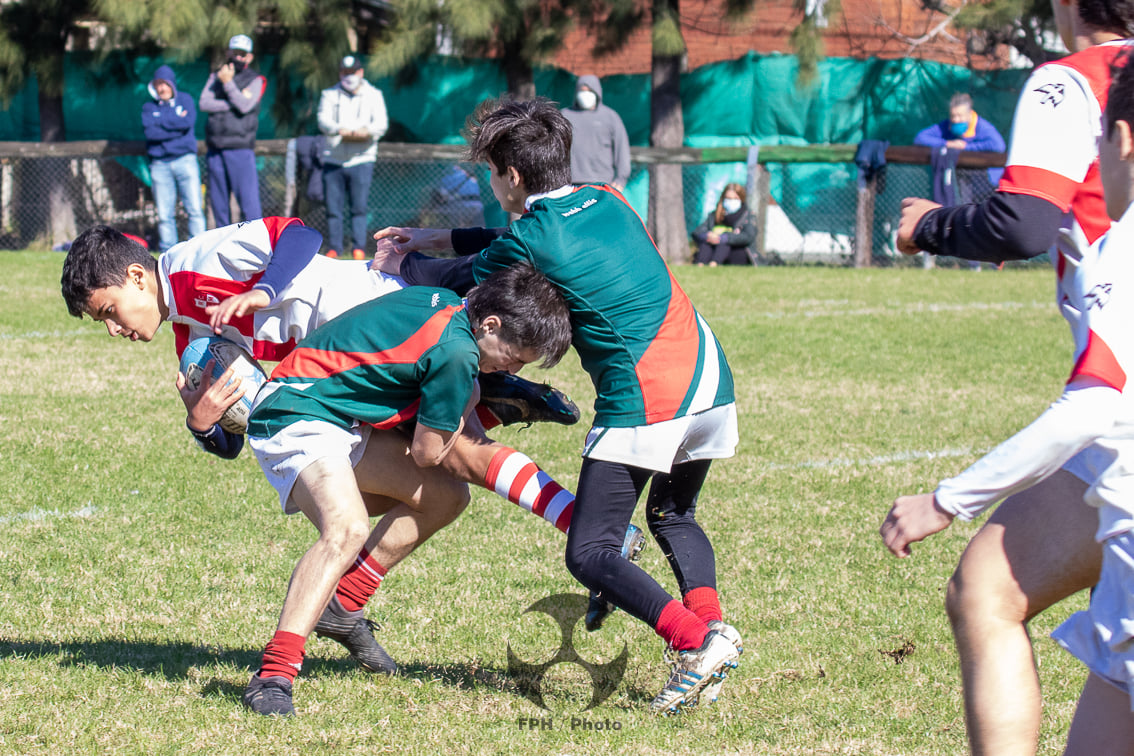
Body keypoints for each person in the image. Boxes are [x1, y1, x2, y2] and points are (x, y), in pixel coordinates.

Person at [371, 97, 742, 715]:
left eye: (493, 174)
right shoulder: (607, 197)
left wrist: (401, 262)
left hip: (649, 394)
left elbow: (464, 275)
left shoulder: (529, 239)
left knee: (591, 551)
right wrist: (435, 235)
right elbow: (516, 239)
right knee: (673, 515)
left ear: (512, 176)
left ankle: (698, 642)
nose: (493, 185)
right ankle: (711, 635)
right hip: (710, 375)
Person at [886, 1, 1134, 752]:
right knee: (989, 590)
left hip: (1116, 415)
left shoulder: (1075, 81)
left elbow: (1022, 223)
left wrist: (928, 224)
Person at [240, 262, 574, 716]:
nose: (511, 368)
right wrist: (472, 404)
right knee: (347, 529)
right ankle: (273, 676)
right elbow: (427, 452)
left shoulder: (449, 306)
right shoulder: (458, 354)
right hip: (295, 412)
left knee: (445, 496)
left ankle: (343, 606)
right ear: (491, 324)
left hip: (337, 416)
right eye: (513, 357)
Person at [913, 93, 1007, 270]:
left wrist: (966, 147)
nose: (956, 120)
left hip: (988, 183)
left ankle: (996, 262)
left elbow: (998, 146)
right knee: (967, 221)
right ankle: (974, 265)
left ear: (970, 114)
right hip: (963, 182)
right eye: (953, 116)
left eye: (960, 116)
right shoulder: (946, 127)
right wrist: (948, 144)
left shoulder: (983, 127)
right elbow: (920, 138)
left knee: (990, 222)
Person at [317, 55, 388, 260]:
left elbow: (381, 124)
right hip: (333, 159)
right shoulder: (329, 94)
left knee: (359, 208)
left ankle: (359, 248)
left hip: (362, 159)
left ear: (361, 72)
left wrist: (366, 131)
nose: (348, 77)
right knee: (333, 209)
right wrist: (339, 129)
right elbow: (323, 120)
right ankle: (334, 248)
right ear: (340, 73)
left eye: (352, 72)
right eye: (344, 72)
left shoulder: (374, 95)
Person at [199, 33, 265, 227]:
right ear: (228, 52)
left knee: (249, 205)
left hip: (240, 149)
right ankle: (225, 242)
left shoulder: (255, 79)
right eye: (235, 52)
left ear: (249, 57)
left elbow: (245, 106)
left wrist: (228, 84)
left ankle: (256, 241)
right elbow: (204, 103)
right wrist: (231, 103)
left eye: (242, 54)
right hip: (215, 149)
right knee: (219, 206)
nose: (237, 57)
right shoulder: (216, 76)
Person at [141, 65, 206, 252]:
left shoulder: (185, 100)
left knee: (194, 209)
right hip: (160, 164)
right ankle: (169, 253)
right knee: (164, 214)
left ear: (172, 84)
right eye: (158, 84)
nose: (162, 88)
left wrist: (161, 121)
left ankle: (198, 249)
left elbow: (187, 123)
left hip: (185, 160)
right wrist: (175, 124)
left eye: (165, 84)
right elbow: (151, 133)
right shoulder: (148, 107)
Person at [560, 75, 631, 192]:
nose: (585, 94)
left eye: (589, 91)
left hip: (602, 184)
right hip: (569, 185)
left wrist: (620, 180)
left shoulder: (610, 117)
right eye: (582, 91)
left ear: (597, 92)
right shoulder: (564, 116)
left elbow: (622, 150)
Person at [690, 183, 757, 266]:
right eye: (728, 198)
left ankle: (714, 264)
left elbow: (748, 237)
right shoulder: (715, 215)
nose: (731, 201)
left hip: (736, 251)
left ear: (741, 199)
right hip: (714, 248)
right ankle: (701, 264)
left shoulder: (747, 216)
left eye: (735, 198)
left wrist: (725, 238)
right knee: (706, 245)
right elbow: (697, 231)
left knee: (724, 245)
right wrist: (708, 236)